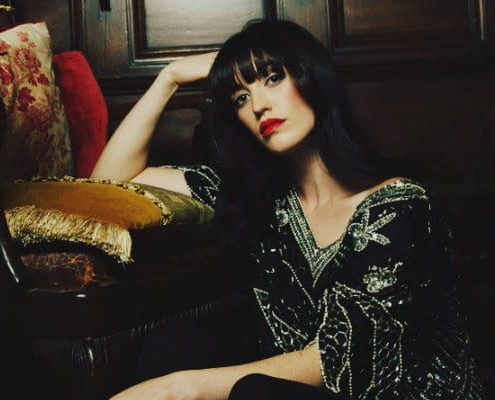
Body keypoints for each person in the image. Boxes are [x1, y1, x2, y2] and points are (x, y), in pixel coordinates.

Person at [91, 19, 487, 400]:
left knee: (252, 391)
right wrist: (170, 78)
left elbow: (337, 360)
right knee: (175, 344)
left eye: (273, 78)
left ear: (311, 76)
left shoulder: (400, 207)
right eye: (240, 98)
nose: (258, 105)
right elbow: (105, 187)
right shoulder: (257, 201)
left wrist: (176, 389)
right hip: (291, 393)